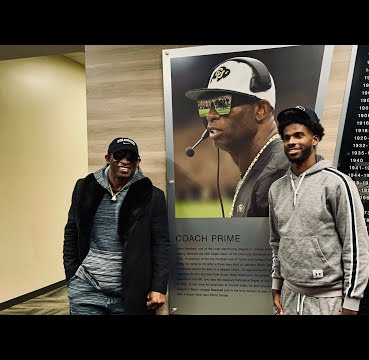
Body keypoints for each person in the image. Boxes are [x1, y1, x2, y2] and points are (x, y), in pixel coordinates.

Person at [269, 106, 369, 315]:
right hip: (289, 296)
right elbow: (277, 242)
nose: (291, 142)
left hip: (328, 301)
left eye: (299, 135)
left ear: (314, 139)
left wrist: (351, 301)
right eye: (286, 137)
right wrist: (276, 284)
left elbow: (356, 246)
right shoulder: (276, 189)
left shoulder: (337, 183)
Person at [63, 137, 170, 315]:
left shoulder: (152, 196)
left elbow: (161, 244)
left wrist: (159, 287)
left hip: (131, 293)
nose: (125, 161)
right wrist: (72, 277)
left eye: (131, 157)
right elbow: (72, 233)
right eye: (119, 155)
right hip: (86, 289)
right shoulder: (84, 187)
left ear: (138, 162)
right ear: (108, 158)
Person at [185, 56, 290, 217]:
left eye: (222, 103)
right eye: (205, 106)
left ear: (261, 110)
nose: (211, 115)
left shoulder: (281, 174)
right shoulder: (265, 168)